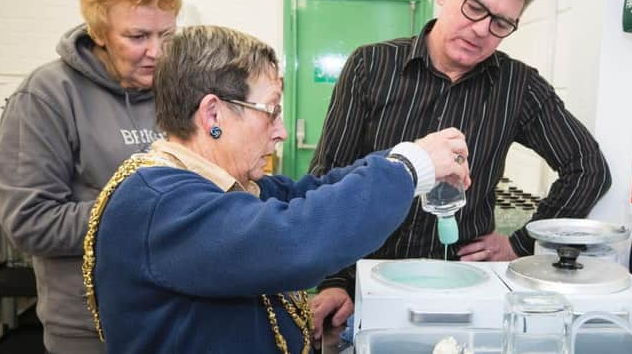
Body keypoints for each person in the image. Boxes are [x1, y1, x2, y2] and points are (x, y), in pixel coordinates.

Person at [82, 25, 470, 353]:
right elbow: (296, 239)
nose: (282, 131)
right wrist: (410, 168)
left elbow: (309, 194)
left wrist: (407, 156)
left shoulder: (223, 185)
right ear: (213, 114)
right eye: (271, 111)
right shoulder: (159, 203)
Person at [309, 0, 612, 339]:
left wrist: (521, 244)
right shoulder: (371, 66)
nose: (482, 30)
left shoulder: (518, 87)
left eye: (501, 23)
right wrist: (334, 280)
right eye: (475, 7)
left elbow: (588, 168)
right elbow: (330, 178)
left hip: (469, 297)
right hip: (369, 286)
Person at [0, 0, 181, 353]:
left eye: (167, 34)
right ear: (99, 33)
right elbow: (31, 222)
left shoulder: (174, 89)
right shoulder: (46, 96)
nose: (157, 51)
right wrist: (152, 213)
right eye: (137, 36)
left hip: (175, 317)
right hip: (91, 329)